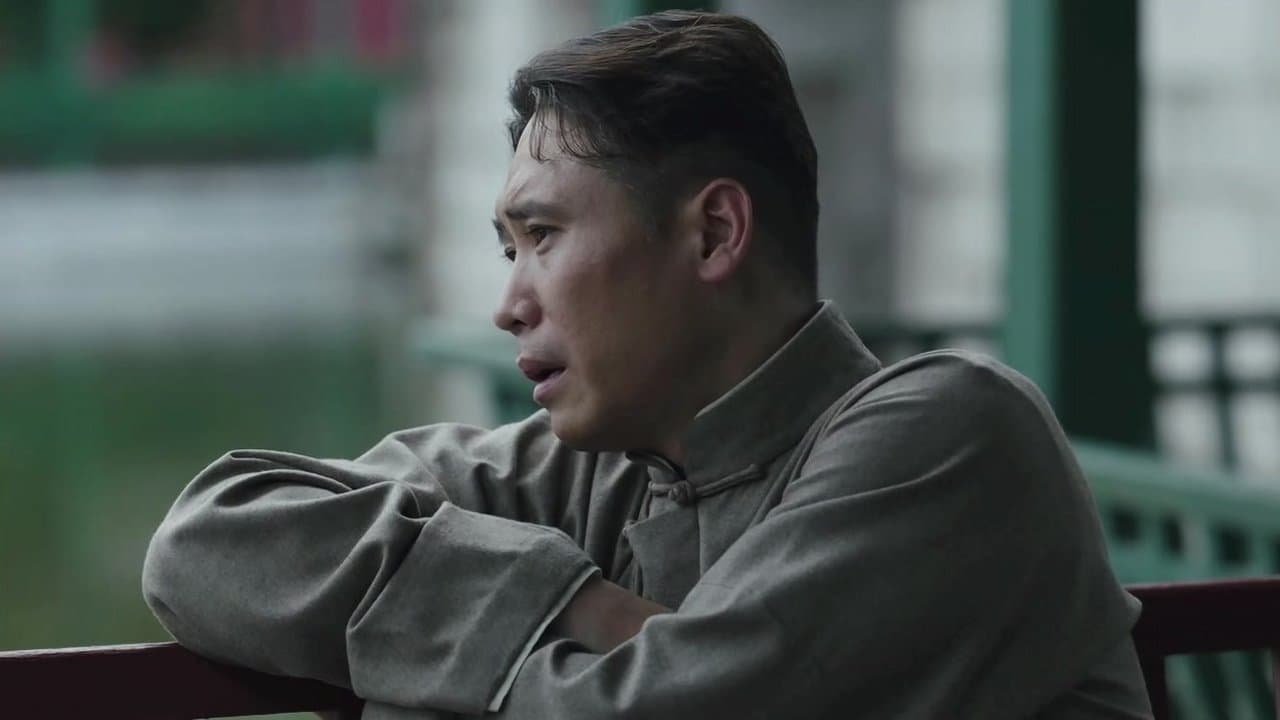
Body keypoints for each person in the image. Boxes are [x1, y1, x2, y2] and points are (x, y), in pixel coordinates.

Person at [142, 10, 1153, 719]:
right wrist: (574, 603)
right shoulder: (594, 467)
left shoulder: (951, 436)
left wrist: (419, 674)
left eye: (542, 237)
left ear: (713, 233)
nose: (507, 304)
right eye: (507, 249)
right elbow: (209, 543)